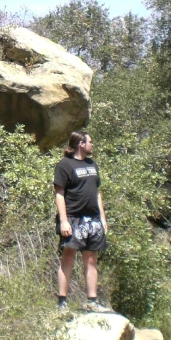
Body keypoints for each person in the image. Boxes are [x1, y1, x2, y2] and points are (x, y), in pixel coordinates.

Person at [53, 131, 110, 312]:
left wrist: (102, 218)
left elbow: (97, 192)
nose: (92, 144)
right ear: (81, 144)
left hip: (92, 219)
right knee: (68, 257)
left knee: (91, 259)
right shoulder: (64, 165)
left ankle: (92, 301)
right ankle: (62, 302)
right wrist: (63, 221)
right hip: (73, 219)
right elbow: (59, 194)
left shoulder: (92, 164)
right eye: (90, 142)